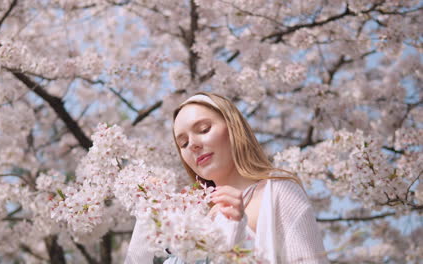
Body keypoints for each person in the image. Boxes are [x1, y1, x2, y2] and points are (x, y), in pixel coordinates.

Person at [125, 92, 329, 263]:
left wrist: (238, 233)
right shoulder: (194, 220)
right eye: (183, 143)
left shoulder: (277, 192)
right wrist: (148, 214)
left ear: (233, 127)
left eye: (203, 129)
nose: (193, 144)